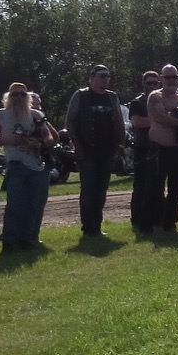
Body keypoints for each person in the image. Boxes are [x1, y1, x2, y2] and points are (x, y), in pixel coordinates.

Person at [0, 84, 56, 251]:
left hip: (37, 166)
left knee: (36, 204)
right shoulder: (1, 114)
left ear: (28, 97)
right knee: (15, 205)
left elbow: (50, 138)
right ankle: (10, 241)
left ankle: (31, 238)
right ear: (8, 97)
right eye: (14, 94)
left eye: (22, 94)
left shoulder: (36, 115)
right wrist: (8, 141)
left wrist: (37, 143)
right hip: (16, 165)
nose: (18, 97)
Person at [66, 64, 127, 236]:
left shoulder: (111, 97)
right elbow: (70, 121)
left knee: (101, 190)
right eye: (101, 76)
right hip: (87, 150)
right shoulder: (81, 95)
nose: (105, 79)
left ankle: (97, 226)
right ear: (92, 78)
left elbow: (119, 122)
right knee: (88, 190)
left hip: (106, 150)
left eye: (107, 76)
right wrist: (76, 143)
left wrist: (120, 145)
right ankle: (88, 228)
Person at [145, 65, 178, 232]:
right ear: (161, 79)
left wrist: (176, 116)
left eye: (174, 77)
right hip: (159, 149)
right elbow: (160, 118)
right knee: (155, 188)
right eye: (167, 77)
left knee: (177, 188)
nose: (171, 81)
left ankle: (170, 223)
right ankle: (151, 222)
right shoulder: (155, 96)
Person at [128, 70, 161, 230]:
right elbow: (137, 122)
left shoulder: (161, 100)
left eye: (156, 83)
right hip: (142, 148)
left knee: (157, 185)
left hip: (159, 146)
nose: (153, 86)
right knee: (141, 185)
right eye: (149, 83)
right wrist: (160, 119)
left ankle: (156, 218)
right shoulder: (137, 102)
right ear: (144, 84)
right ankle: (137, 219)